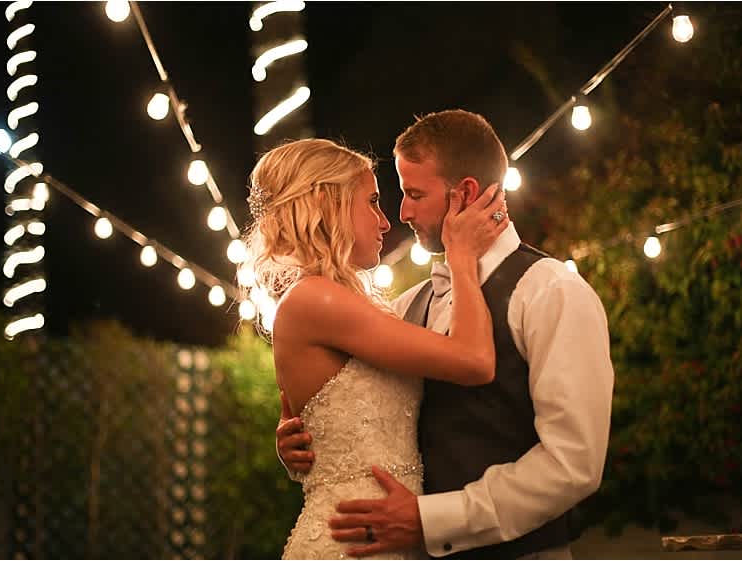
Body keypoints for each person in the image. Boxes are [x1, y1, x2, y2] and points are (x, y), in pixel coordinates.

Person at [277, 110, 615, 559]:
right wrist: (300, 434)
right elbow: (356, 406)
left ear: (466, 194)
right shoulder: (405, 305)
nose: (402, 212)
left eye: (415, 193)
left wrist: (432, 520)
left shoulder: (552, 291)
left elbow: (574, 464)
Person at [243, 137, 510, 559]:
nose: (386, 222)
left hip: (380, 539)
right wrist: (462, 259)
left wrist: (300, 442)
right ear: (326, 204)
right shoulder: (318, 300)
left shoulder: (338, 302)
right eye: (371, 202)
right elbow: (475, 361)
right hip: (354, 544)